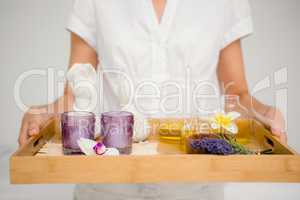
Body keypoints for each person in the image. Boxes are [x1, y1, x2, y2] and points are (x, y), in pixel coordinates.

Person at [18, 0, 287, 199]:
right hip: (108, 187)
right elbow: (75, 92)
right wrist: (46, 111)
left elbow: (236, 94)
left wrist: (261, 111)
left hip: (194, 188)